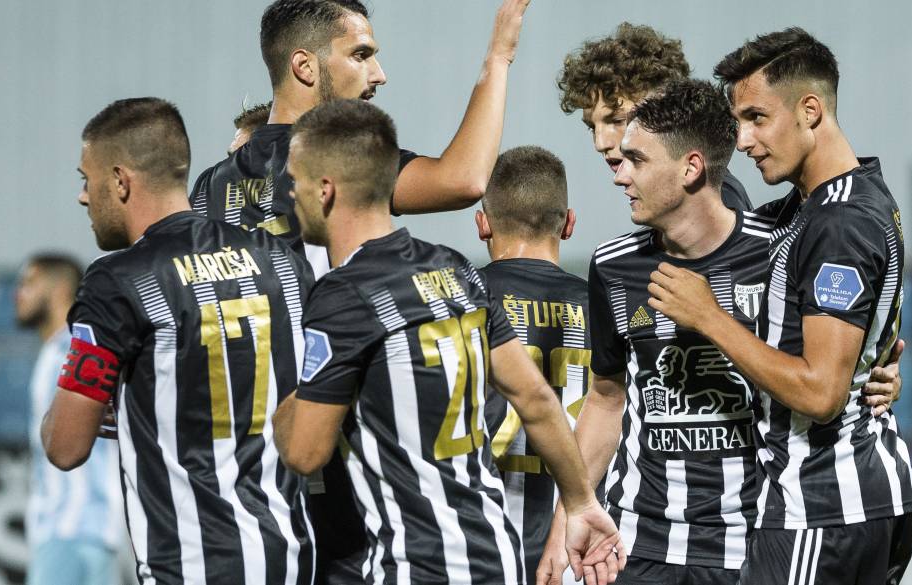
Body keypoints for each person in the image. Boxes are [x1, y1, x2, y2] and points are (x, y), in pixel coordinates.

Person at [272, 99, 625, 585]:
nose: (289, 194)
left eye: (294, 180)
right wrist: (581, 503)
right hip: (496, 557)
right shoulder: (455, 270)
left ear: (325, 190)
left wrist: (287, 400)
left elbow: (303, 453)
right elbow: (537, 400)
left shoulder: (344, 295)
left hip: (416, 565)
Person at [649, 29, 912, 584]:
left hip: (821, 504)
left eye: (757, 118)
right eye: (738, 122)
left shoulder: (839, 223)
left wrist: (709, 318)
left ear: (809, 111)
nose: (744, 140)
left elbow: (820, 393)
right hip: (853, 499)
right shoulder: (818, 205)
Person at [41, 97, 317, 585]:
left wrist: (102, 404)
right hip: (292, 558)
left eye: (87, 179)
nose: (84, 196)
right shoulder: (280, 260)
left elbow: (65, 446)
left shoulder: (119, 280)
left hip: (191, 564)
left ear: (121, 181)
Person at [540, 79, 770, 585]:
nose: (621, 174)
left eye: (637, 160)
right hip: (639, 545)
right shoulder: (614, 265)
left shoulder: (774, 254)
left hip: (752, 545)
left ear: (690, 168)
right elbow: (606, 400)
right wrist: (566, 520)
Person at [191, 0, 531, 277]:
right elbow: (463, 180)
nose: (379, 74)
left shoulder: (208, 186)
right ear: (304, 66)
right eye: (360, 55)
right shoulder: (338, 159)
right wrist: (498, 58)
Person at [473, 146, 590, 584]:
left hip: (478, 548)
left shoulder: (461, 302)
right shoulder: (604, 307)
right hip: (578, 552)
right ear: (569, 223)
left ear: (482, 223)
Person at [557, 22, 751, 212]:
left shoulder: (719, 201)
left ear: (666, 108)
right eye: (592, 127)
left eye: (617, 121)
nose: (600, 144)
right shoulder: (670, 201)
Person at [17, 254, 123, 585]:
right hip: (91, 530)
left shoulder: (73, 350)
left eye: (30, 282)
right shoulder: (61, 349)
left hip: (70, 527)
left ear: (61, 288)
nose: (19, 293)